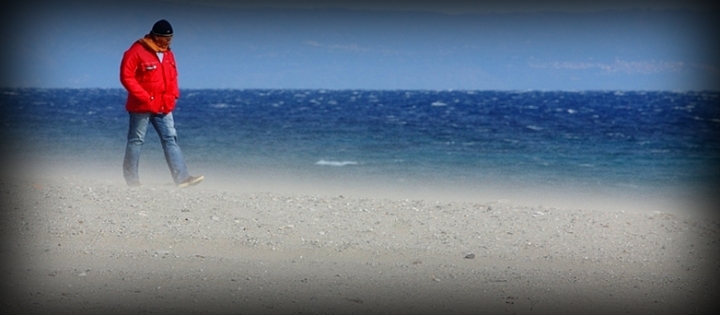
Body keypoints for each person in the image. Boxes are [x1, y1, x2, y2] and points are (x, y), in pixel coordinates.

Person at [120, 19, 203, 188]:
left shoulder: (168, 54)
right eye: (166, 39)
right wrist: (144, 96)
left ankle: (182, 178)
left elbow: (173, 76)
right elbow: (126, 76)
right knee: (136, 140)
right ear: (156, 37)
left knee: (170, 139)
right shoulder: (136, 51)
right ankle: (132, 179)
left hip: (164, 105)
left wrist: (174, 95)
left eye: (171, 38)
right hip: (141, 106)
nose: (169, 41)